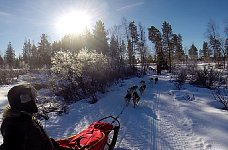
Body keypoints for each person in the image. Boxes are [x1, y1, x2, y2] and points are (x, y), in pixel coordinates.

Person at [0, 84, 56, 150]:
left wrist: (51, 143)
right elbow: (10, 146)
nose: (33, 101)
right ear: (20, 102)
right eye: (27, 98)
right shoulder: (14, 125)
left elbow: (36, 139)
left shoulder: (25, 117)